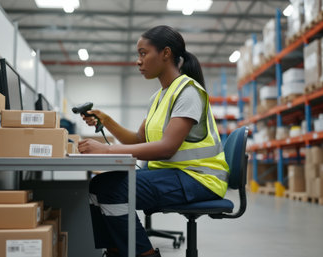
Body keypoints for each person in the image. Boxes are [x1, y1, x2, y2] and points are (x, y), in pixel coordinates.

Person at [78, 25, 229, 257]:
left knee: (112, 190)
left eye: (143, 53)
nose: (138, 61)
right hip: (175, 175)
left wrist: (107, 150)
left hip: (199, 178)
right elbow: (139, 139)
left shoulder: (187, 92)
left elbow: (167, 148)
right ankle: (117, 251)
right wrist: (105, 120)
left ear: (165, 53)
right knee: (98, 186)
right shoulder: (159, 97)